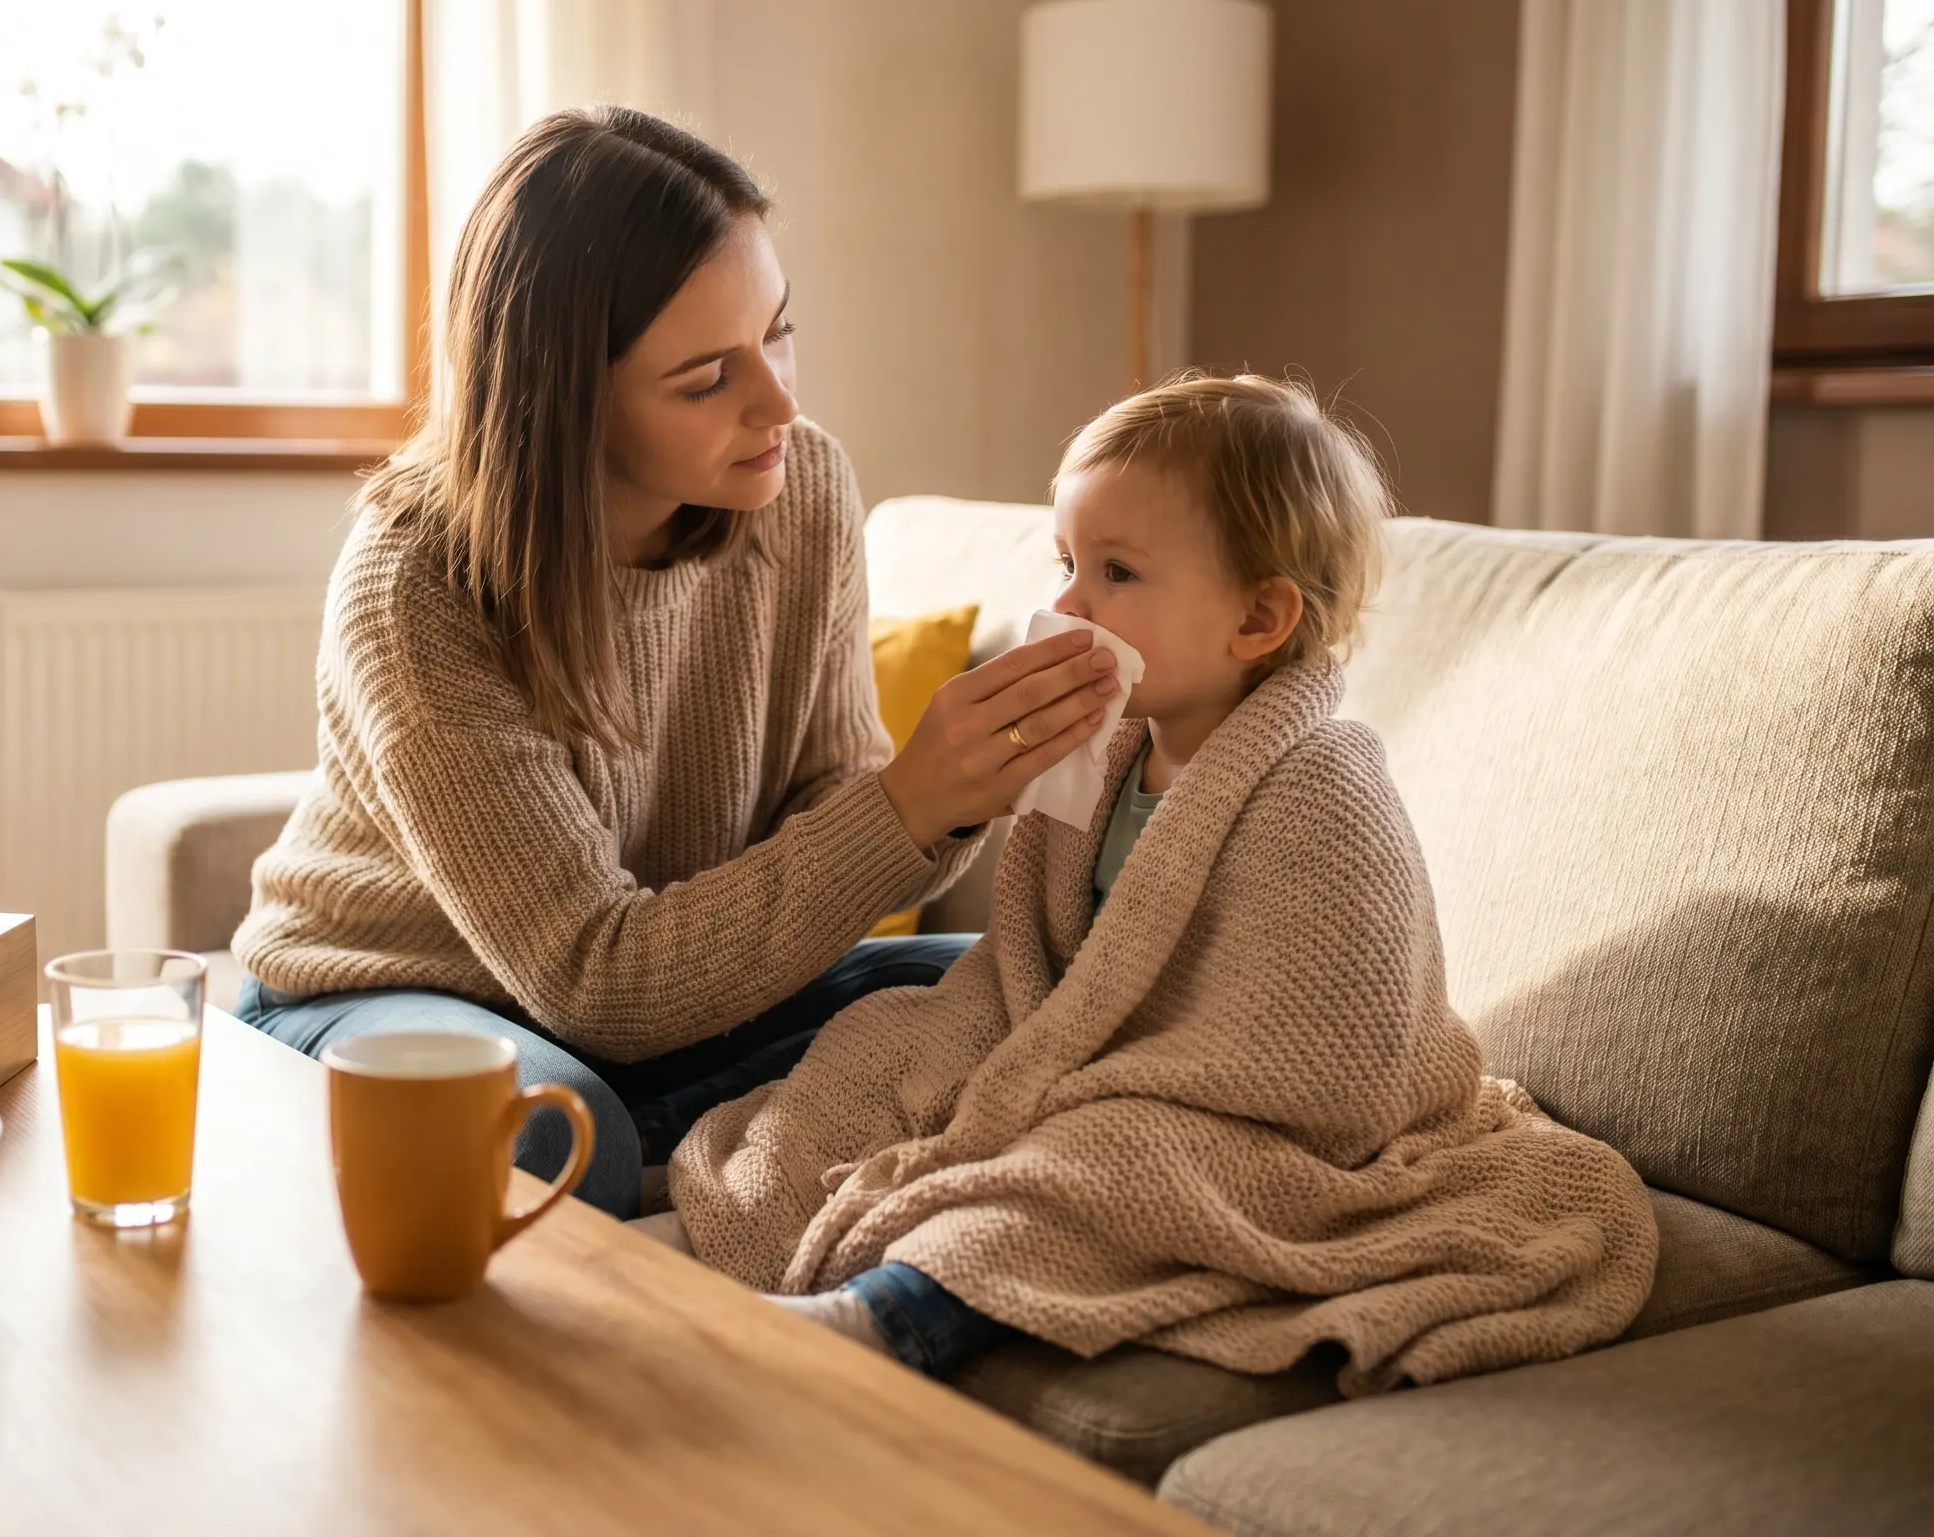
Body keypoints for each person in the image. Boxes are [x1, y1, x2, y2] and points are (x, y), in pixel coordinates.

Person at [671, 374, 1657, 1393]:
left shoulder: (1321, 786)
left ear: (1257, 617)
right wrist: (1021, 1045)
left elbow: (1341, 1062)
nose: (1064, 605)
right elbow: (1038, 965)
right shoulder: (1103, 753)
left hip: (1240, 1119)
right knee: (882, 1035)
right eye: (1065, 563)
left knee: (1102, 1162)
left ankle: (888, 1316)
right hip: (1096, 1060)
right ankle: (723, 1229)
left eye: (1114, 572)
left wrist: (1078, 1089)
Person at [234, 107, 1121, 1218]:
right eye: (707, 378)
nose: (779, 402)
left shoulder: (803, 490)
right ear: (563, 398)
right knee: (555, 1129)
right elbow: (592, 976)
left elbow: (827, 814)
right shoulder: (418, 584)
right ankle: (707, 1132)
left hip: (678, 1009)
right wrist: (904, 803)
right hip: (393, 998)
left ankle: (702, 1129)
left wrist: (949, 796)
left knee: (1030, 994)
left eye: (780, 332)